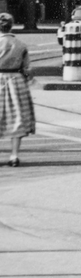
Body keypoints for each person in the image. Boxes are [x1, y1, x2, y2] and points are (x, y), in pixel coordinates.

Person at [0, 12, 35, 167]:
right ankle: (14, 156)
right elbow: (27, 68)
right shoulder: (20, 44)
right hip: (16, 81)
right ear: (11, 26)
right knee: (17, 119)